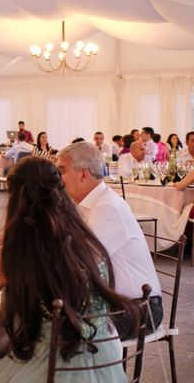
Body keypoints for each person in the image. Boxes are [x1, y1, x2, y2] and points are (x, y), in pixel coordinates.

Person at [0, 156, 137, 383]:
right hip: (103, 364)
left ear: (14, 198)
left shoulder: (12, 254)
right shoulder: (89, 242)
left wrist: (17, 313)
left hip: (48, 368)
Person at [56, 142, 162, 335]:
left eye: (61, 171)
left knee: (61, 330)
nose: (57, 179)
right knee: (47, 321)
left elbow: (81, 260)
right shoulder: (84, 204)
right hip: (114, 302)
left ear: (83, 174)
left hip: (140, 307)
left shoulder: (107, 207)